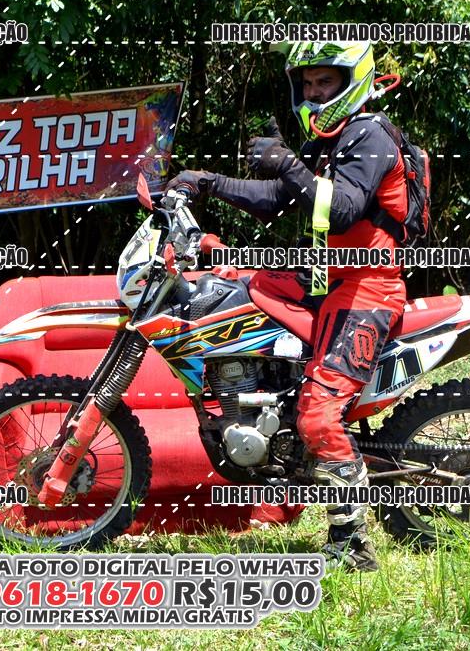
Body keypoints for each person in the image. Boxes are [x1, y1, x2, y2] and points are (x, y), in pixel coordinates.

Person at [167, 41, 409, 572]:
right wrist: (207, 183)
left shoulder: (370, 134)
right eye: (308, 84)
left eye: (326, 82)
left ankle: (352, 543)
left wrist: (289, 164)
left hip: (367, 288)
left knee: (317, 413)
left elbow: (342, 209)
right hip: (322, 279)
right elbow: (278, 198)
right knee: (237, 287)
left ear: (354, 81)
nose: (315, 93)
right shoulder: (330, 140)